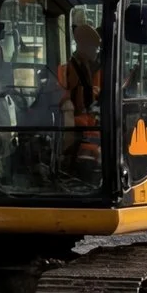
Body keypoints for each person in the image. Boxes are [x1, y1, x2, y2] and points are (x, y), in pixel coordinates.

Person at [57, 21, 105, 179]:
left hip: (87, 117)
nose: (97, 51)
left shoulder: (87, 67)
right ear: (83, 46)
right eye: (94, 47)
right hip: (78, 123)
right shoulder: (68, 70)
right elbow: (64, 99)